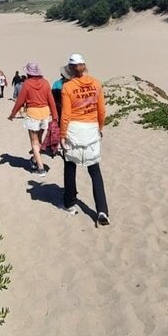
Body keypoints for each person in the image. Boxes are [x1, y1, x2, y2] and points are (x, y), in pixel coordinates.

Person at [60, 53, 109, 226]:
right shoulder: (96, 83)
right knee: (94, 170)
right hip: (91, 129)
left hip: (74, 128)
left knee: (70, 165)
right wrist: (99, 128)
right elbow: (102, 111)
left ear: (71, 69)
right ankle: (102, 209)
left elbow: (65, 115)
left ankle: (70, 202)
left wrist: (62, 134)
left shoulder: (68, 87)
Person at [8, 61, 57, 178]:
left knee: (34, 142)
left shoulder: (27, 84)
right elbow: (51, 100)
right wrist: (55, 115)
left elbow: (20, 101)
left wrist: (13, 114)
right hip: (45, 113)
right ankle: (34, 161)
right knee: (39, 140)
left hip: (33, 114)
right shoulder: (45, 83)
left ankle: (40, 168)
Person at [41, 65, 72, 156]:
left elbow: (52, 98)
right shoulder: (72, 84)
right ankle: (65, 146)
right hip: (69, 109)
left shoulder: (56, 84)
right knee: (67, 126)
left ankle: (59, 145)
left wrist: (51, 110)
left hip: (58, 108)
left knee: (59, 126)